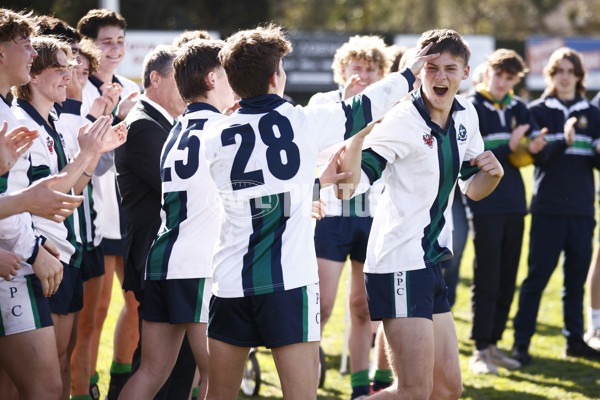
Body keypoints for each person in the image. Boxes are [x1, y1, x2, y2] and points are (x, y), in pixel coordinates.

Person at [200, 23, 434, 400]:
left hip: (230, 282)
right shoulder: (301, 120)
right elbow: (365, 106)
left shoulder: (214, 134)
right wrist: (410, 73)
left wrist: (313, 184)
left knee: (219, 395)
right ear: (276, 77)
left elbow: (258, 197)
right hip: (288, 284)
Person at [336, 29, 504, 399]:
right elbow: (347, 187)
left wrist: (493, 176)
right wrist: (358, 136)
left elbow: (473, 189)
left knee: (446, 390)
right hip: (398, 260)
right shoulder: (401, 119)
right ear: (417, 71)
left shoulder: (466, 115)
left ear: (466, 72)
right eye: (430, 67)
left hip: (430, 261)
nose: (440, 77)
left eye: (450, 68)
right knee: (413, 391)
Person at [12, 35, 126, 400]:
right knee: (30, 382)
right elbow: (37, 198)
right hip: (33, 258)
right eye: (59, 68)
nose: (70, 75)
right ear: (32, 74)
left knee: (60, 362)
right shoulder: (20, 124)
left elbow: (72, 191)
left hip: (61, 252)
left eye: (71, 67)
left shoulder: (54, 121)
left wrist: (93, 156)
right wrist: (87, 154)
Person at [118, 38, 232, 400]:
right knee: (217, 377)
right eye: (230, 75)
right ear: (213, 79)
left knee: (151, 372)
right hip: (199, 265)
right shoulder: (218, 130)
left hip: (164, 259)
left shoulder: (177, 128)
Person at [0, 10, 81, 399]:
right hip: (20, 262)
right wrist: (33, 250)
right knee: (46, 386)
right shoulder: (16, 119)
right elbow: (17, 200)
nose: (32, 52)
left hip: (26, 257)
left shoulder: (8, 112)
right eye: (25, 44)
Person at [308, 34, 392, 399]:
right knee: (323, 304)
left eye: (373, 71)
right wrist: (350, 101)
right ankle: (305, 369)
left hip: (372, 214)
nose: (365, 76)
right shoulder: (324, 102)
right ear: (342, 70)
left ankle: (361, 389)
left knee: (363, 308)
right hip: (331, 214)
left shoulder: (389, 109)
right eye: (358, 68)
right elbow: (323, 146)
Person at [115, 43, 199, 400]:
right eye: (179, 80)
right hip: (158, 260)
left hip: (172, 259)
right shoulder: (144, 127)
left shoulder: (163, 124)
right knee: (160, 371)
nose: (187, 91)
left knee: (174, 369)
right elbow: (177, 190)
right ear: (154, 79)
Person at [511, 47, 600, 364]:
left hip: (581, 210)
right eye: (558, 71)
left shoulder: (593, 112)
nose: (564, 77)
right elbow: (539, 157)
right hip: (548, 209)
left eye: (570, 71)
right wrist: (564, 139)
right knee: (536, 278)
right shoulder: (536, 111)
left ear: (579, 76)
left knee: (574, 281)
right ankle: (521, 343)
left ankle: (574, 340)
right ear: (550, 76)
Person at [465, 48, 545, 375]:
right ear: (487, 72)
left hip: (515, 201)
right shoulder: (471, 104)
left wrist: (535, 148)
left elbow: (533, 148)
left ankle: (495, 345)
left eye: (510, 78)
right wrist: (509, 147)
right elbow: (471, 156)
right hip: (484, 202)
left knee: (507, 277)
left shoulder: (520, 107)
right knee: (487, 275)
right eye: (498, 75)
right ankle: (479, 350)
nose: (502, 82)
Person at [76, 10, 142, 399]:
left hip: (128, 217)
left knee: (136, 305)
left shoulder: (132, 87)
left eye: (120, 40)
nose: (115, 48)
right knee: (91, 317)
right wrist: (110, 113)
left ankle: (120, 381)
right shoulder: (79, 91)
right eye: (106, 41)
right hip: (95, 220)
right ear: (89, 46)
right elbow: (90, 161)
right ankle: (83, 387)